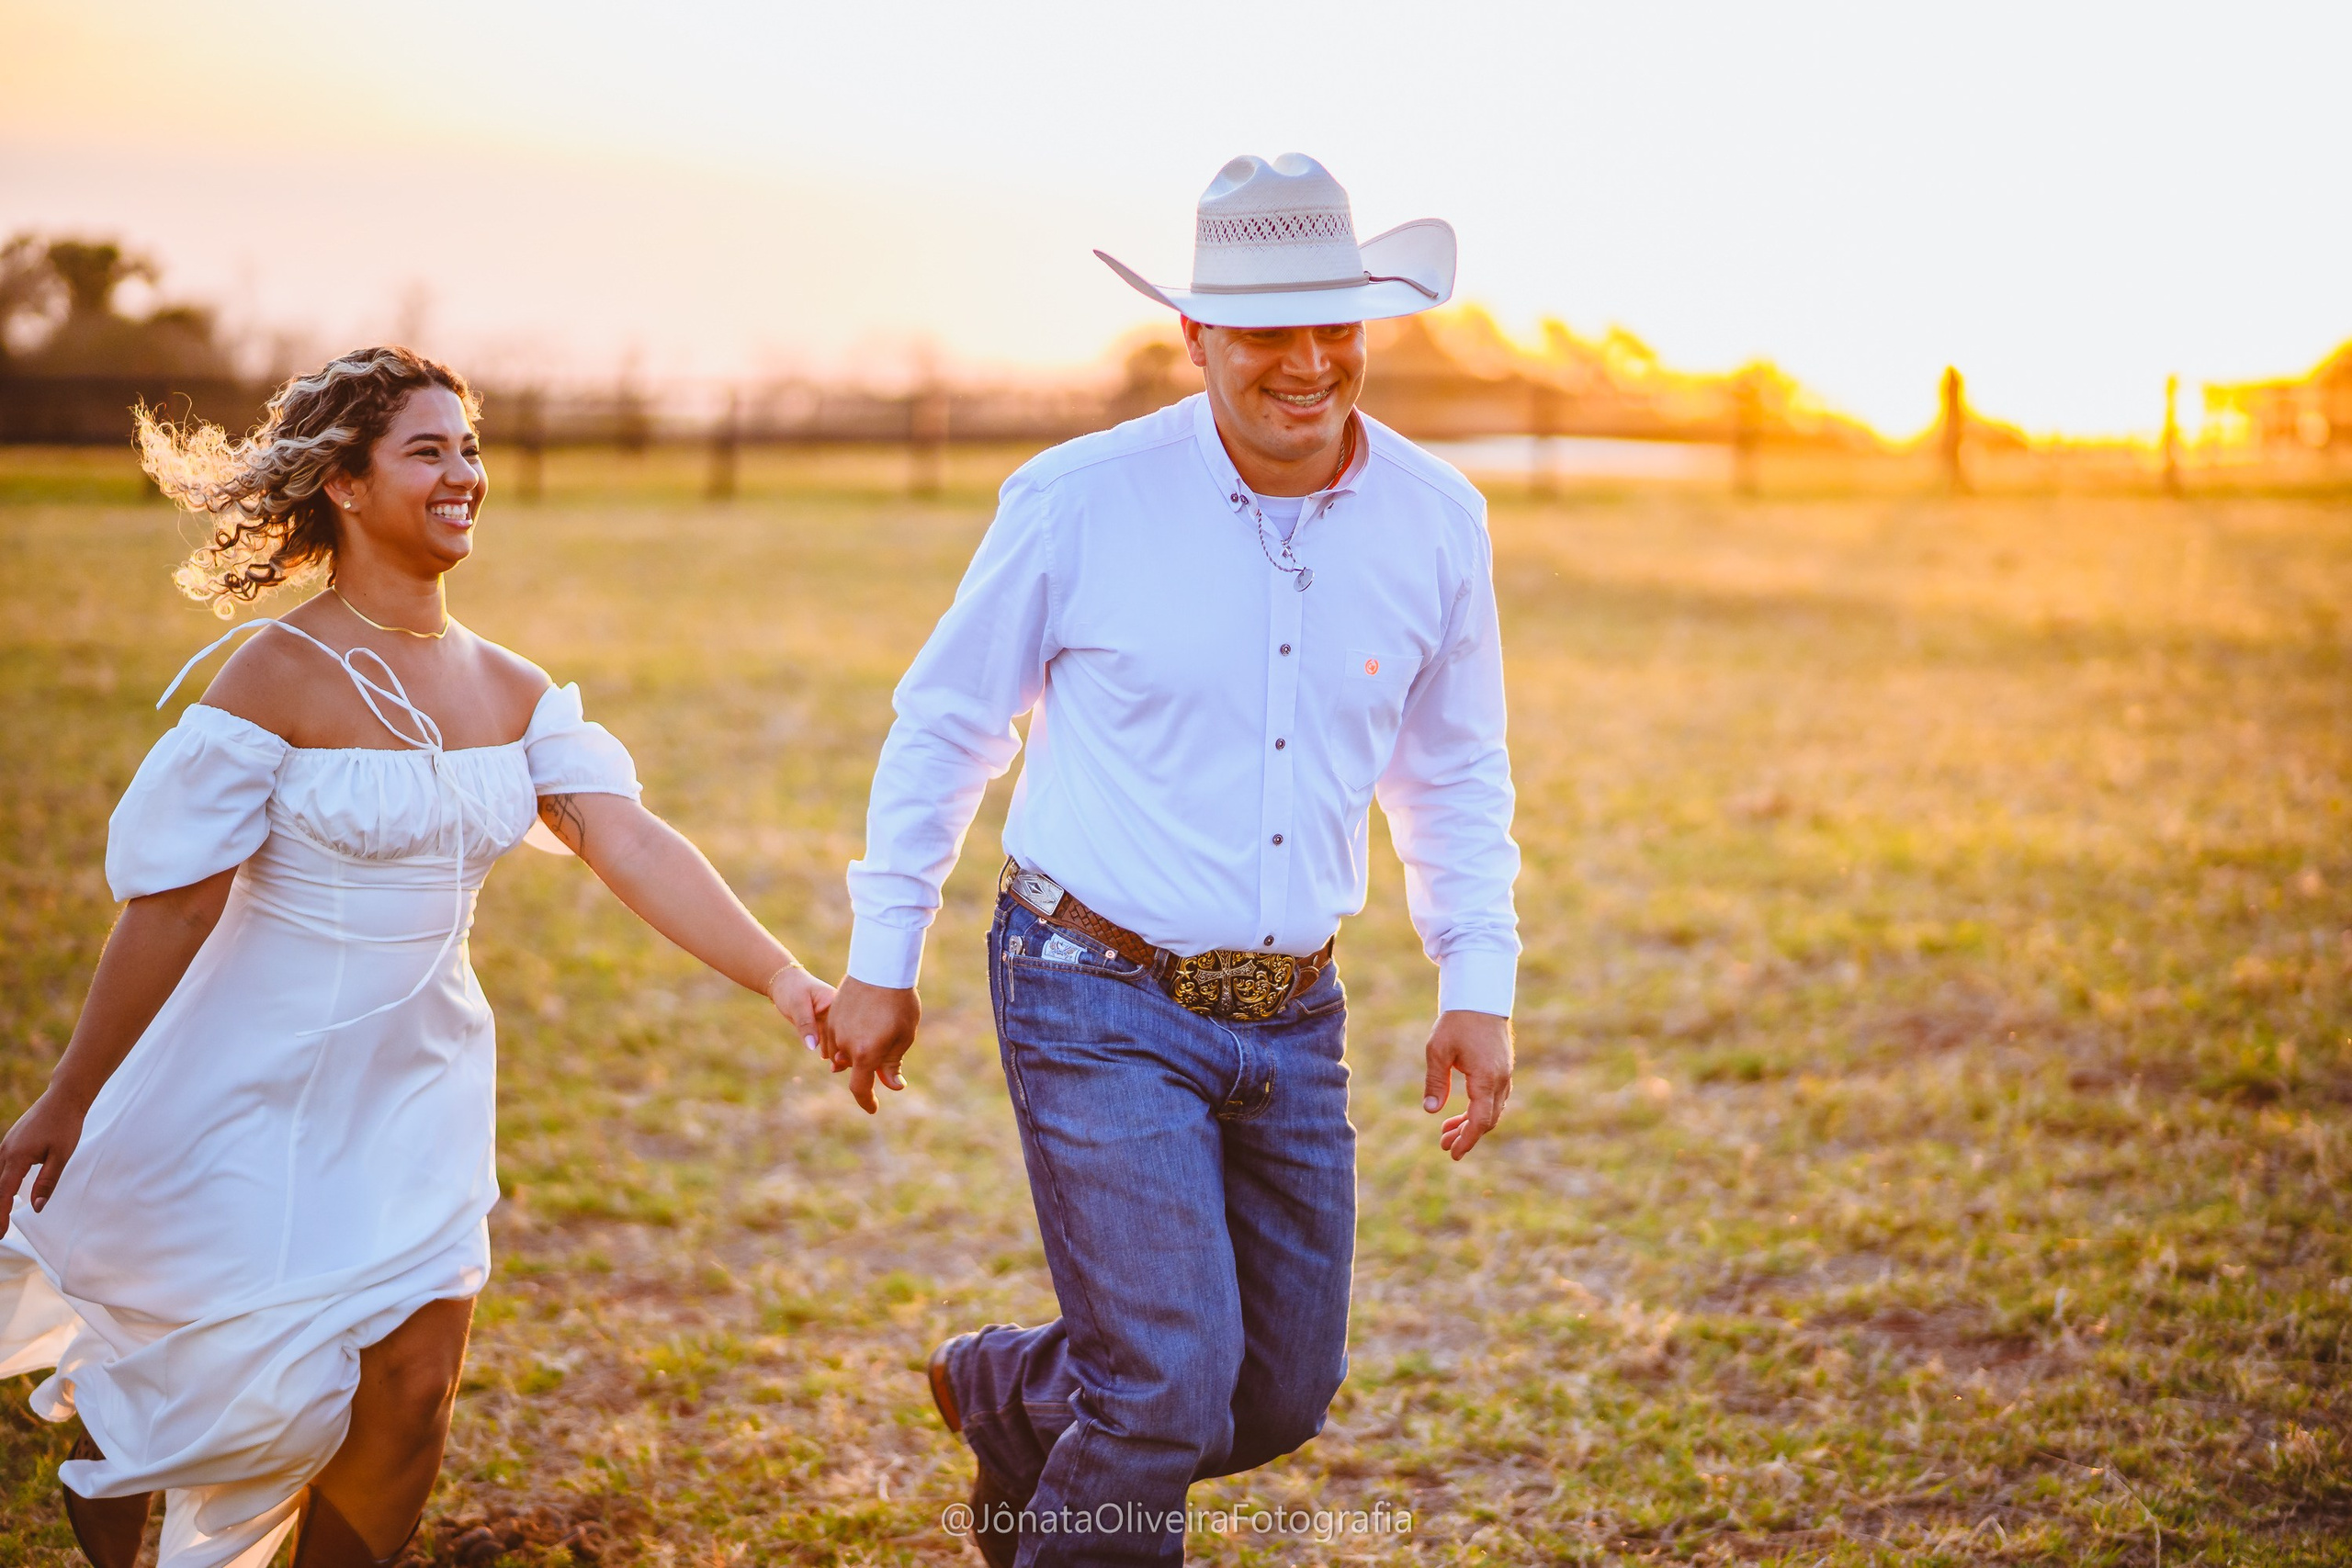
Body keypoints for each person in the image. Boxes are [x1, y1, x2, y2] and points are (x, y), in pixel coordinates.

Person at [0, 347, 835, 1568]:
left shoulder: (514, 687)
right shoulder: (273, 674)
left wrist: (786, 981)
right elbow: (173, 911)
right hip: (244, 1081)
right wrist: (69, 1100)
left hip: (422, 1087)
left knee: (410, 1396)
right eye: (429, 451)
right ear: (344, 482)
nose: (466, 475)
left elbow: (628, 840)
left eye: (472, 449)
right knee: (194, 1393)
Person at [823, 154, 1521, 1567]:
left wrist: (1479, 973)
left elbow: (1450, 767)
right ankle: (1078, 1425)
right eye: (1270, 329)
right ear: (1197, 337)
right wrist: (878, 958)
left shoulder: (1440, 520)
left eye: (1338, 324)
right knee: (1158, 1395)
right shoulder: (1078, 499)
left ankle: (1008, 1396)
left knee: (1272, 1392)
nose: (1312, 362)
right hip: (1093, 986)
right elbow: (947, 721)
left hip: (1294, 1012)